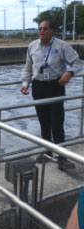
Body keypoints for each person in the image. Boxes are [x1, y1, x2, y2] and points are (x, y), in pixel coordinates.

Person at [21, 20, 82, 171]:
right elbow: (28, 67)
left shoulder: (62, 46)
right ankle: (46, 151)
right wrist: (25, 83)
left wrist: (69, 73)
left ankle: (62, 157)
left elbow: (77, 63)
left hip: (56, 86)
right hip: (39, 87)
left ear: (52, 30)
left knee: (57, 122)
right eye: (40, 29)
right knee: (44, 122)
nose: (41, 31)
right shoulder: (32, 46)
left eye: (45, 29)